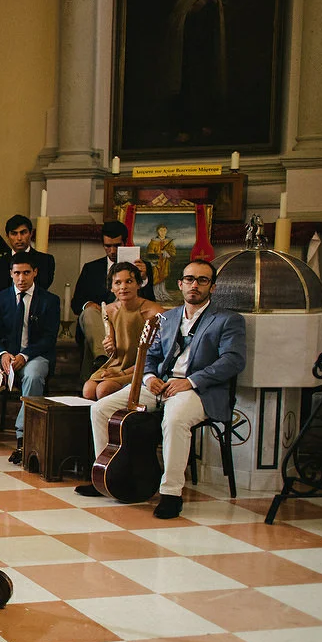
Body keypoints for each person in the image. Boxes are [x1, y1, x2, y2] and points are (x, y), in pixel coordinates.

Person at [77, 261, 246, 519]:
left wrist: (191, 381)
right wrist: (149, 377)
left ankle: (171, 493)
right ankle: (108, 476)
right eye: (189, 279)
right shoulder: (168, 317)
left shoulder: (228, 320)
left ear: (212, 287)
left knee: (175, 419)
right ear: (180, 284)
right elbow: (152, 356)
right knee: (101, 408)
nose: (194, 285)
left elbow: (232, 360)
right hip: (161, 384)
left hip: (199, 390)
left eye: (202, 280)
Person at [0, 254, 60, 464]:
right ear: (11, 274)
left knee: (34, 376)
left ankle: (24, 436)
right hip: (5, 356)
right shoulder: (0, 298)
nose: (21, 278)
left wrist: (24, 355)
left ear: (35, 273)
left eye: (26, 273)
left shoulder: (50, 300)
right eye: (17, 273)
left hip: (35, 355)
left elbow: (49, 338)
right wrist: (2, 354)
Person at [72, 221, 158, 375]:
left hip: (128, 322)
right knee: (89, 313)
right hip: (98, 322)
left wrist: (143, 279)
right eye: (107, 246)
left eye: (117, 246)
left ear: (125, 243)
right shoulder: (91, 268)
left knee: (92, 340)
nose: (112, 250)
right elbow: (76, 303)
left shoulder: (142, 267)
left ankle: (102, 365)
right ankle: (103, 357)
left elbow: (151, 302)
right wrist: (88, 304)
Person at [83, 262, 164, 400]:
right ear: (112, 288)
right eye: (118, 283)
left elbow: (155, 354)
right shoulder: (109, 310)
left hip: (140, 368)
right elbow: (114, 352)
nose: (123, 287)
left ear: (138, 284)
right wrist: (109, 347)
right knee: (88, 390)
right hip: (117, 365)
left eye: (129, 281)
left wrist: (121, 373)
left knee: (103, 390)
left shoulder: (154, 312)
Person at [0, 214, 56, 295]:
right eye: (14, 233)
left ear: (31, 233)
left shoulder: (46, 261)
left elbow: (42, 287)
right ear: (7, 236)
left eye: (23, 232)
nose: (19, 238)